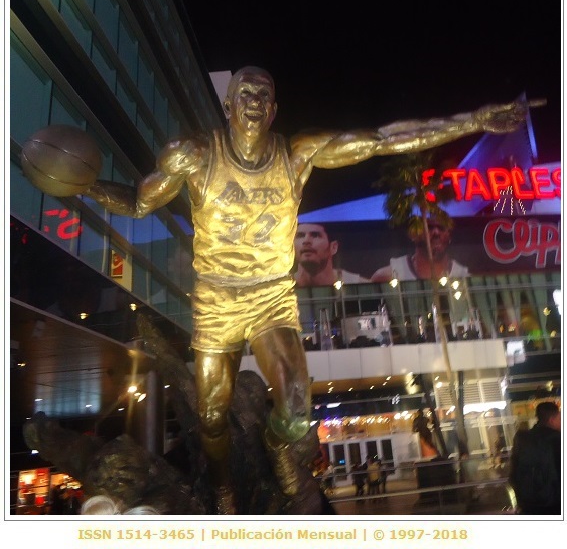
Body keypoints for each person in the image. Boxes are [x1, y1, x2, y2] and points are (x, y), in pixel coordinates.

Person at [70, 65, 537, 514]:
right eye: (245, 94)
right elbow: (136, 201)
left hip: (272, 296)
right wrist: (88, 187)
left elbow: (383, 140)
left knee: (295, 411)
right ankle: (221, 483)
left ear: (274, 111)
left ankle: (278, 452)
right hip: (216, 299)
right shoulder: (192, 155)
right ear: (228, 106)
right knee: (211, 416)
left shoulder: (296, 155)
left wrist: (473, 120)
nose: (254, 102)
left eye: (263, 95)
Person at [371, 219, 468, 283]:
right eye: (429, 227)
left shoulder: (464, 277)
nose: (436, 233)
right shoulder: (388, 275)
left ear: (449, 236)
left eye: (441, 228)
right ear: (413, 235)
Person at [509, 401, 561, 514]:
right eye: (560, 418)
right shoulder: (558, 440)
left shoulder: (522, 439)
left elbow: (513, 472)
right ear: (552, 420)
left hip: (528, 504)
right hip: (555, 504)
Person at [294, 223, 369, 287]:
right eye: (300, 236)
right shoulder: (283, 286)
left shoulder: (360, 285)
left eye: (315, 235)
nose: (306, 241)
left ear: (333, 247)